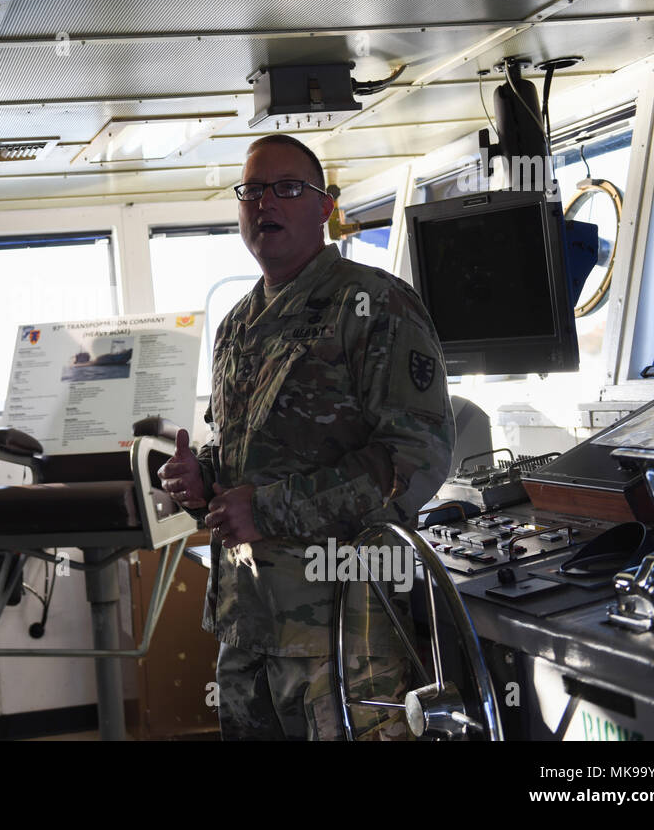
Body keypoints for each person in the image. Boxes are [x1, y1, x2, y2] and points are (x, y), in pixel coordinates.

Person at [158, 134, 455, 740]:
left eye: (288, 188)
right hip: (249, 627)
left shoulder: (373, 303)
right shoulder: (238, 324)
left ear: (324, 207)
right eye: (253, 190)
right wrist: (205, 478)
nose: (266, 202)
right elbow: (253, 460)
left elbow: (415, 459)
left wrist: (267, 509)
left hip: (343, 631)